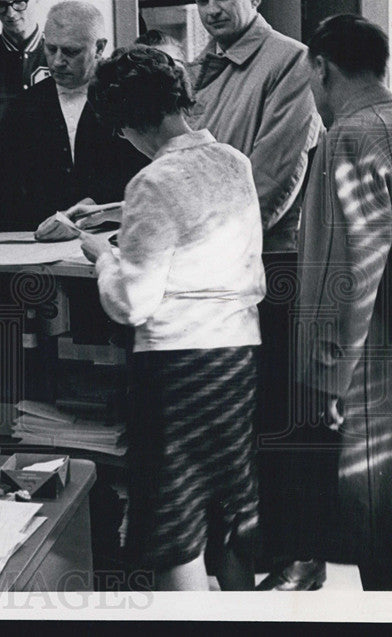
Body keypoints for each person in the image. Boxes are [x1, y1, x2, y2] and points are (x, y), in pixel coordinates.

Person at [81, 47, 265, 590]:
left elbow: (131, 303)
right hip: (238, 356)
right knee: (231, 507)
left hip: (176, 367)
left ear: (130, 121)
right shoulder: (236, 161)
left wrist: (104, 257)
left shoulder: (151, 183)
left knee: (174, 519)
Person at [258, 15, 392, 592]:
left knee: (376, 520)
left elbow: (350, 270)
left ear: (320, 67)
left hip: (373, 363)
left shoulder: (348, 135)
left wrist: (326, 378)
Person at [187, 0, 322, 252]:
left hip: (260, 253)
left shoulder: (293, 61)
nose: (212, 10)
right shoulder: (198, 68)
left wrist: (217, 246)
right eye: (202, 0)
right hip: (204, 249)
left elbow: (274, 177)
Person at [0, 1, 148, 234]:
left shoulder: (130, 97)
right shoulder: (23, 107)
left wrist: (96, 209)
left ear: (99, 48)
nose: (57, 61)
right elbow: (6, 183)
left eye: (71, 51)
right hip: (37, 246)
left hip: (115, 238)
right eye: (51, 48)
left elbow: (146, 177)